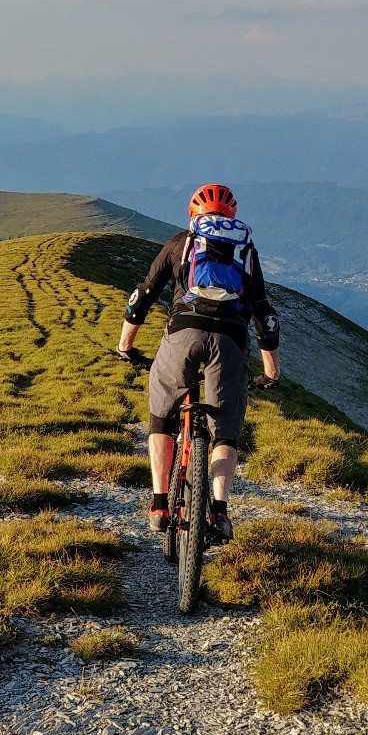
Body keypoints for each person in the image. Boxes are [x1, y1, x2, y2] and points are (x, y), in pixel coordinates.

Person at [115, 184, 281, 541]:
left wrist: (125, 347)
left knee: (162, 416)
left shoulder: (181, 243)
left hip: (184, 331)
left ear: (194, 214)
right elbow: (265, 316)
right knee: (225, 431)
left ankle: (160, 505)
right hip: (230, 341)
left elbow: (142, 297)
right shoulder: (246, 252)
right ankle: (219, 512)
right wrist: (271, 373)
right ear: (232, 216)